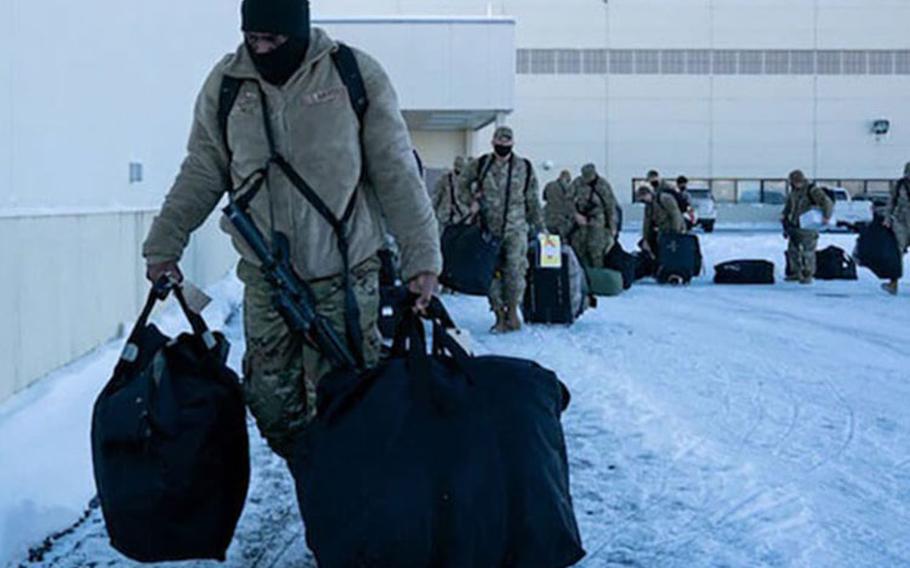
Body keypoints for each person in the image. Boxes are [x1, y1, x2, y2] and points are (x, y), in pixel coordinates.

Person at [141, 0, 441, 460]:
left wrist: (422, 259)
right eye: (252, 38)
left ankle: (343, 501)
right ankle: (311, 474)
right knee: (270, 405)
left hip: (344, 275)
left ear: (298, 32)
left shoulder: (352, 75)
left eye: (273, 39)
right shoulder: (227, 85)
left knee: (346, 400)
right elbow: (202, 170)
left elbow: (396, 171)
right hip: (266, 278)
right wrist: (165, 244)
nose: (261, 48)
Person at [459, 126, 542, 333]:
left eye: (506, 145)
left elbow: (532, 199)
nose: (502, 148)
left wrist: (540, 227)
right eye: (499, 144)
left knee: (515, 270)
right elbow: (461, 185)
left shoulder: (525, 167)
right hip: (488, 229)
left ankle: (513, 311)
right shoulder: (480, 165)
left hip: (516, 229)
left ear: (512, 144)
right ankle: (498, 314)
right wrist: (471, 203)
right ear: (493, 143)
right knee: (490, 273)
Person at [781, 169, 834, 284]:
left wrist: (826, 216)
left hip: (808, 225)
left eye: (797, 181)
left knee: (808, 252)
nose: (796, 183)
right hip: (795, 225)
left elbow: (826, 202)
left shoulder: (812, 190)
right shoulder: (793, 192)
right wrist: (784, 215)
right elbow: (789, 206)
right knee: (793, 251)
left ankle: (808, 274)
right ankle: (795, 273)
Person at [570, 164, 618, 268]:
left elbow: (610, 207)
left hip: (597, 221)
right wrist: (575, 215)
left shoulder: (602, 185)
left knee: (596, 250)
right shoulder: (577, 183)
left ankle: (597, 275)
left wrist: (612, 228)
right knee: (579, 248)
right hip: (580, 222)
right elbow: (567, 201)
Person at [882, 161, 910, 295]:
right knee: (896, 254)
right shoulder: (899, 185)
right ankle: (893, 283)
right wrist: (887, 218)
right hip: (901, 222)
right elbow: (891, 202)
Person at [637, 183, 686, 259]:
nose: (644, 201)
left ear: (648, 194)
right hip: (662, 231)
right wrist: (645, 239)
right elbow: (646, 223)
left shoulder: (664, 199)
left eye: (643, 198)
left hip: (674, 230)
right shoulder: (648, 206)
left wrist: (675, 232)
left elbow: (676, 215)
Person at [432, 156, 467, 234]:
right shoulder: (444, 179)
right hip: (444, 217)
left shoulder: (467, 180)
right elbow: (436, 197)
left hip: (461, 218)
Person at [543, 170, 576, 239]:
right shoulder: (569, 188)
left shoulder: (549, 184)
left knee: (549, 241)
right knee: (561, 241)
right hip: (561, 220)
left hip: (547, 217)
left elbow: (544, 198)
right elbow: (570, 203)